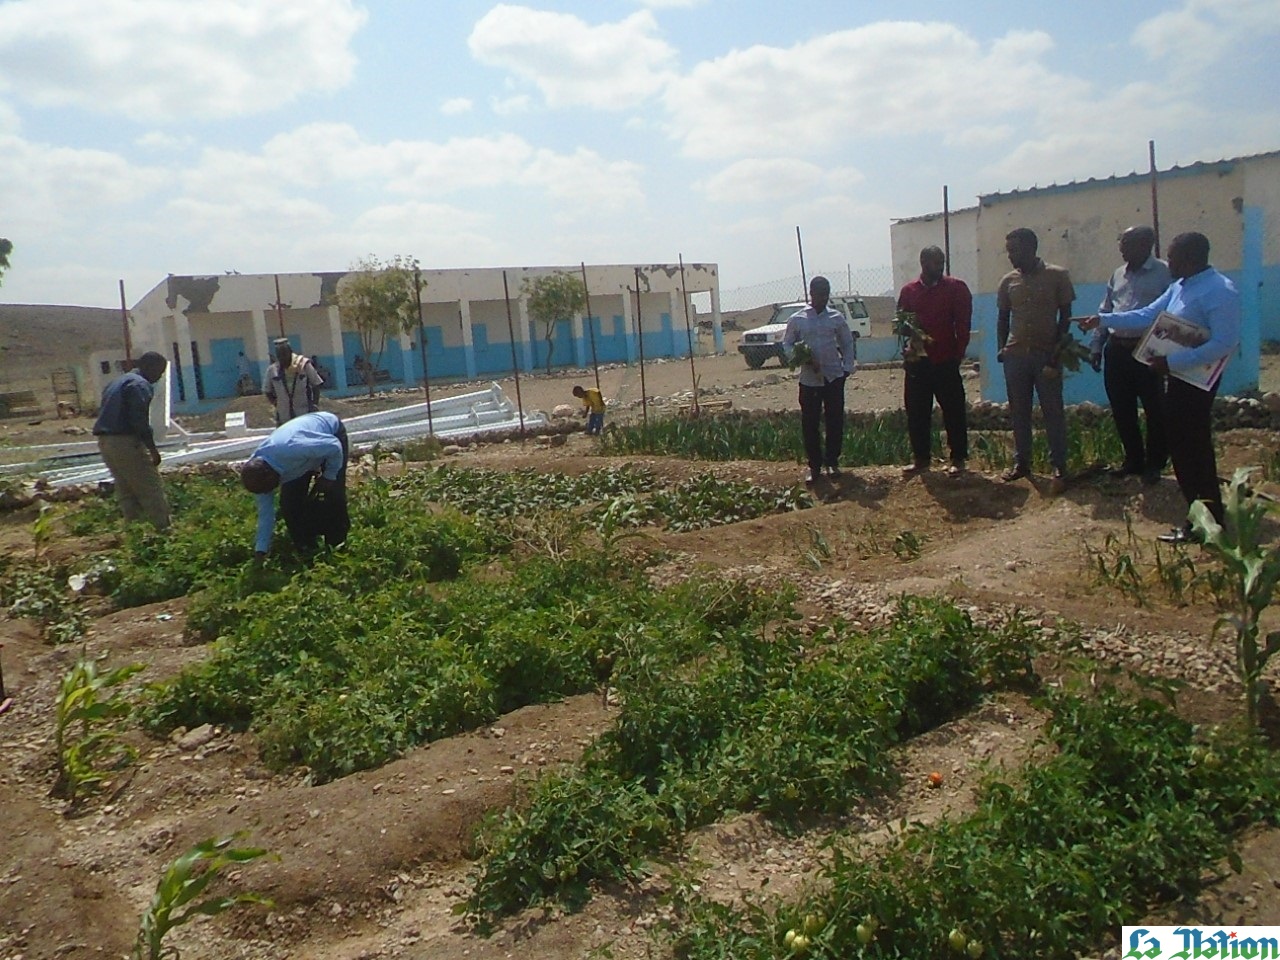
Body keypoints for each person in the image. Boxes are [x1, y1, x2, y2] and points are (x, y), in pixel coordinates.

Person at [1077, 232, 1240, 543]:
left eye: (1174, 256)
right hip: (1178, 377)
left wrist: (1173, 364)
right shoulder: (1181, 285)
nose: (1169, 261)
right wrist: (1103, 320)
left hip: (1195, 380)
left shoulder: (1220, 290)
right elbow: (1148, 315)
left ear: (1191, 258)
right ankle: (1200, 518)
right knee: (1182, 448)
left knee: (1194, 450)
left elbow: (1224, 342)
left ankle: (1207, 521)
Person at [1089, 226, 1172, 484]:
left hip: (1148, 350)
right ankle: (1133, 460)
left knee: (1154, 409)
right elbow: (1106, 309)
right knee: (1122, 409)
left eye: (1127, 243)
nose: (1121, 248)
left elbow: (1172, 313)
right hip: (1117, 349)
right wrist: (1096, 346)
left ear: (1147, 243)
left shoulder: (1165, 273)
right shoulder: (1117, 274)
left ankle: (1155, 463)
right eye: (1121, 243)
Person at [996, 227, 1075, 495]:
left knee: (1053, 410)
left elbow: (1065, 318)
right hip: (1015, 355)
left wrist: (1056, 355)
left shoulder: (1057, 276)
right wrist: (1001, 349)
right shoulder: (1008, 282)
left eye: (1014, 250)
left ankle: (1059, 466)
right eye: (1008, 251)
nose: (1010, 256)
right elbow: (1002, 319)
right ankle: (1022, 464)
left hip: (1046, 354)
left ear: (1031, 247)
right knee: (1019, 412)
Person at [896, 245, 973, 477]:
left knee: (953, 409)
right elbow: (901, 324)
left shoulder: (956, 289)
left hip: (945, 360)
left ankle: (958, 458)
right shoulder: (909, 291)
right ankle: (921, 458)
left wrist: (957, 355)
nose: (940, 267)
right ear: (923, 263)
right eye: (935, 262)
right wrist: (911, 339)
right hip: (918, 362)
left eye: (942, 262)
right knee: (917, 411)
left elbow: (963, 325)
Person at [239, 411, 349, 558]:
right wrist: (261, 550)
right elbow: (266, 514)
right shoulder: (259, 477)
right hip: (306, 456)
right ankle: (307, 550)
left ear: (270, 475)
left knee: (333, 495)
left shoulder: (292, 448)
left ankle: (337, 549)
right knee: (290, 505)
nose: (269, 492)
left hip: (330, 435)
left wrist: (329, 476)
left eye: (269, 488)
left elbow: (333, 446)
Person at [782, 275, 856, 484]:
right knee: (810, 422)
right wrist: (801, 356)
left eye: (826, 294)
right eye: (819, 294)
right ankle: (814, 466)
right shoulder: (798, 319)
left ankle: (832, 461)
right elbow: (787, 344)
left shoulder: (836, 318)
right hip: (809, 379)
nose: (822, 298)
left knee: (835, 420)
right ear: (811, 294)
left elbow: (847, 342)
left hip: (833, 376)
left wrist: (847, 368)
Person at [92, 351, 171, 530]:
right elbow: (139, 421)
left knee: (126, 490)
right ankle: (163, 532)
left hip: (105, 442)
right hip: (125, 442)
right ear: (149, 367)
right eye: (158, 372)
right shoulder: (139, 385)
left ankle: (135, 532)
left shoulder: (117, 382)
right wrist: (152, 449)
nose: (158, 378)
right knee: (151, 489)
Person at [264, 337, 324, 425]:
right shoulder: (272, 370)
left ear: (290, 352)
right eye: (279, 355)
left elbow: (316, 384)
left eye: (284, 354)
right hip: (284, 417)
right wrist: (277, 404)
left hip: (304, 414)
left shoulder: (304, 365)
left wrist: (314, 404)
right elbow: (267, 391)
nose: (282, 358)